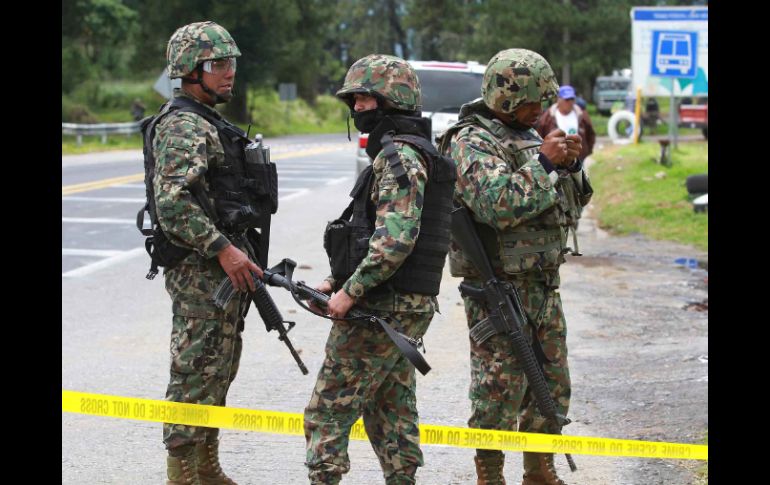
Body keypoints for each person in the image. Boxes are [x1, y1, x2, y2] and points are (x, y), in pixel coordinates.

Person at [437, 49, 593, 485]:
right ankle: (490, 475)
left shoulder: (525, 135)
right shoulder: (469, 141)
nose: (541, 109)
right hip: (498, 288)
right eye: (533, 101)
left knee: (552, 383)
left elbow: (570, 204)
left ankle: (539, 470)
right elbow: (497, 205)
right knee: (498, 389)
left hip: (542, 284)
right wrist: (544, 163)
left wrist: (570, 167)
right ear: (507, 97)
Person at [304, 54, 455, 485]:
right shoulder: (408, 152)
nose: (357, 108)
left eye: (365, 99)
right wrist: (335, 282)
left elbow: (395, 240)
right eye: (353, 100)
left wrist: (350, 293)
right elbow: (369, 233)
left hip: (382, 305)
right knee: (390, 406)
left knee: (327, 410)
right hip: (400, 303)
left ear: (393, 100)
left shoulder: (399, 156)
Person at [153, 21, 264, 485]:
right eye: (217, 64)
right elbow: (172, 203)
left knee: (219, 367)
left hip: (221, 268)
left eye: (231, 62)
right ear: (189, 70)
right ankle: (181, 474)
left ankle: (206, 466)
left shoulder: (207, 122)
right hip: (200, 268)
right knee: (194, 371)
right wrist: (223, 250)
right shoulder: (182, 125)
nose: (229, 72)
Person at [536, 85, 596, 160]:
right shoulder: (547, 117)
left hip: (579, 158)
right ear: (558, 99)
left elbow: (590, 134)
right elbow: (539, 136)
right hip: (554, 158)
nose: (570, 102)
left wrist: (586, 152)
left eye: (572, 99)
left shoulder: (582, 115)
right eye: (567, 99)